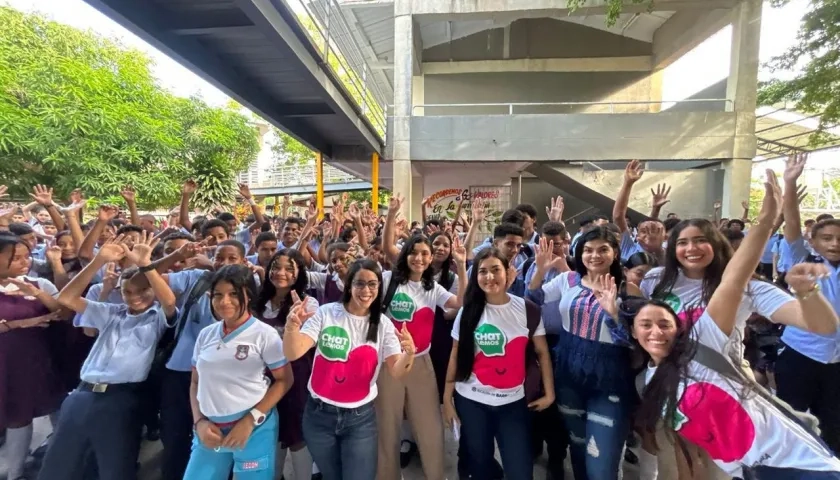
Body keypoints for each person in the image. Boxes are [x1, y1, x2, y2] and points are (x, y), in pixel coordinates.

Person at [631, 170, 840, 479]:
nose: (691, 249)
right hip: (669, 388)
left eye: (701, 241)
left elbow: (823, 326)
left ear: (718, 244)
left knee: (726, 468)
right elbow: (637, 323)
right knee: (680, 465)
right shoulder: (655, 282)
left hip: (722, 388)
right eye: (683, 242)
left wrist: (806, 292)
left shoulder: (747, 287)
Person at [39, 232, 177, 480]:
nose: (135, 296)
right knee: (58, 465)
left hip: (121, 398)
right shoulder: (112, 312)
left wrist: (146, 265)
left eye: (143, 290)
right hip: (82, 394)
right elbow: (67, 298)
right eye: (127, 291)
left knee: (115, 467)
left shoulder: (157, 317)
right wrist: (97, 262)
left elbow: (168, 300)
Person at [283, 259, 416, 480]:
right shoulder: (326, 313)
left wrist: (409, 354)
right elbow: (293, 352)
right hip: (318, 416)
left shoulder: (383, 325)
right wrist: (292, 327)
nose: (366, 290)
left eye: (372, 284)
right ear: (349, 285)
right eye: (359, 283)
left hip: (360, 420)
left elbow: (397, 371)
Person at [526, 226, 641, 480]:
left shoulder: (628, 290)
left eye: (603, 249)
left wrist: (613, 313)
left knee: (601, 463)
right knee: (578, 450)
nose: (594, 255)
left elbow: (636, 341)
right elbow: (532, 302)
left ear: (615, 253)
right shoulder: (568, 280)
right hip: (568, 375)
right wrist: (541, 270)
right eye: (588, 250)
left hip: (609, 381)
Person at [443, 247, 555, 480]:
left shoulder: (527, 309)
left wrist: (550, 394)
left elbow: (542, 352)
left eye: (496, 270)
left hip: (513, 403)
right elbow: (455, 352)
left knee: (520, 469)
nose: (489, 277)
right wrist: (447, 397)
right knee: (481, 465)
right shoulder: (468, 312)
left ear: (508, 273)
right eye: (482, 271)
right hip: (472, 401)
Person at [378, 194, 467, 480]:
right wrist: (392, 214)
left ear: (431, 259)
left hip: (421, 362)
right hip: (388, 363)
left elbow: (459, 302)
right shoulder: (388, 280)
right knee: (387, 428)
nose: (419, 258)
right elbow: (387, 246)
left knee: (429, 427)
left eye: (425, 254)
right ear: (406, 255)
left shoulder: (433, 288)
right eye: (413, 252)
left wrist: (462, 266)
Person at [184, 264, 293, 480]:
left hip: (253, 431)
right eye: (218, 295)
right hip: (209, 431)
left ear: (249, 295)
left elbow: (284, 380)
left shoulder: (264, 334)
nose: (225, 301)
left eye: (234, 294)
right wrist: (199, 423)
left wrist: (250, 420)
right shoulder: (206, 335)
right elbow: (195, 383)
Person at [776, 153, 840, 454]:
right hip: (801, 355)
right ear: (812, 241)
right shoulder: (804, 261)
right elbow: (791, 223)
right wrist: (790, 183)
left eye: (839, 238)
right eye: (826, 238)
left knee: (833, 426)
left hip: (836, 363)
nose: (835, 243)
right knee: (793, 420)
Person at [0, 232, 65, 480]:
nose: (24, 262)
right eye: (15, 258)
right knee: (13, 415)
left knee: (28, 412)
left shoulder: (39, 284)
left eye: (27, 256)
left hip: (33, 360)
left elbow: (64, 310)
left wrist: (36, 294)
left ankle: (21, 472)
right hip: (5, 359)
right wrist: (18, 324)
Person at [253, 249, 320, 478]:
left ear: (299, 273)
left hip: (294, 379)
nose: (281, 273)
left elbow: (309, 344)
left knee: (297, 435)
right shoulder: (258, 301)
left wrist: (295, 325)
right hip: (261, 379)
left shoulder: (309, 304)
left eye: (289, 268)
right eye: (276, 267)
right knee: (270, 432)